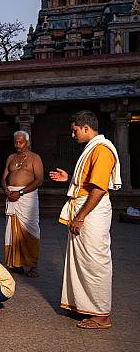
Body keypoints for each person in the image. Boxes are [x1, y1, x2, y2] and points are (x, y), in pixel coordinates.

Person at [49, 110, 121, 329]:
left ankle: (101, 316)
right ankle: (84, 307)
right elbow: (90, 183)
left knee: (94, 262)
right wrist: (70, 179)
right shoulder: (92, 149)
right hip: (85, 209)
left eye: (75, 131)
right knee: (81, 261)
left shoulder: (102, 150)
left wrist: (80, 218)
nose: (73, 135)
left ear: (86, 128)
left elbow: (98, 189)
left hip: (91, 212)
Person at [1, 130, 44, 277]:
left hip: (27, 198)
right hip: (11, 195)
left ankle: (32, 265)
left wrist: (20, 193)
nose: (18, 145)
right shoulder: (11, 157)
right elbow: (4, 177)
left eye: (21, 142)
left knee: (30, 229)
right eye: (16, 142)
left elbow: (39, 180)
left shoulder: (35, 158)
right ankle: (15, 264)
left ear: (28, 142)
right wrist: (7, 190)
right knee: (11, 231)